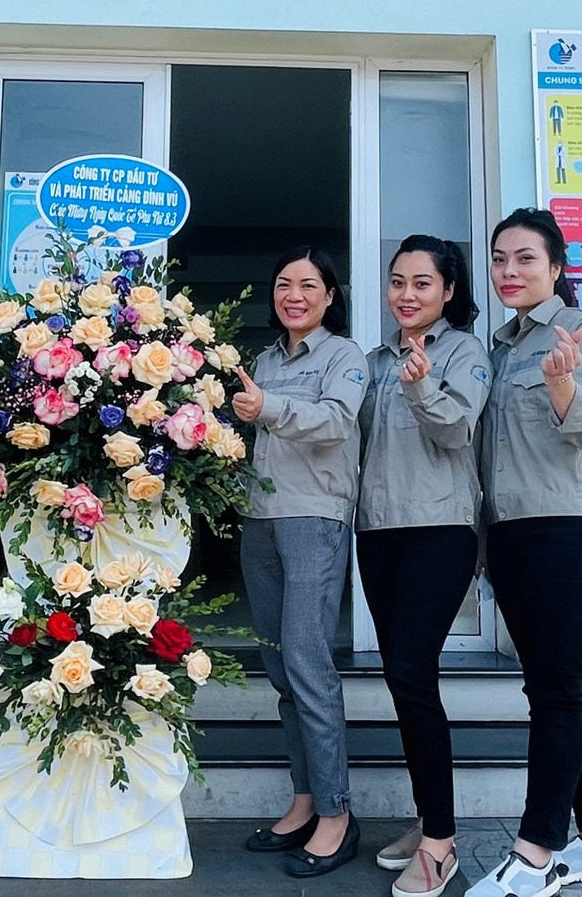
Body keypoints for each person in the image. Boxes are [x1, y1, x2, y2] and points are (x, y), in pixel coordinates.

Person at [465, 208, 582, 897]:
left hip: (570, 530)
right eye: (499, 258)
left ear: (556, 267)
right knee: (555, 685)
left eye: (525, 258)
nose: (509, 271)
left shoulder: (580, 330)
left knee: (556, 690)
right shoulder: (501, 347)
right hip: (511, 533)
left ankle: (535, 855)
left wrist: (563, 382)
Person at [356, 236, 490, 897]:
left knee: (411, 672)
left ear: (449, 290)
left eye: (422, 283)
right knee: (405, 678)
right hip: (378, 531)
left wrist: (421, 386)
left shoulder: (465, 353)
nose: (406, 294)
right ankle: (429, 817)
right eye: (397, 281)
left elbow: (457, 430)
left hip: (439, 530)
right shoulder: (374, 360)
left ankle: (441, 841)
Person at [231, 245, 368, 879]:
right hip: (259, 519)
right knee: (281, 668)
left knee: (309, 664)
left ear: (330, 296)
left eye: (309, 285)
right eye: (284, 284)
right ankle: (305, 800)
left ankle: (337, 814)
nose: (294, 295)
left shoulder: (344, 357)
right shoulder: (263, 360)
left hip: (314, 518)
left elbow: (336, 422)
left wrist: (268, 408)